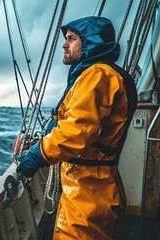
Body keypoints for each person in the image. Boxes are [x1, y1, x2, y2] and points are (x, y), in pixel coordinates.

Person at [16, 16, 137, 239]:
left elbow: (76, 132)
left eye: (71, 39)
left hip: (89, 188)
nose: (64, 44)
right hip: (91, 184)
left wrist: (38, 153)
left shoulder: (98, 75)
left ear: (91, 42)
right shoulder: (98, 75)